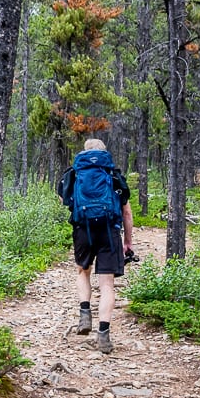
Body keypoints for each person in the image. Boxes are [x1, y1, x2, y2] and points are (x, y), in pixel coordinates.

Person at [57, 138, 134, 353]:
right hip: (109, 231)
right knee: (107, 284)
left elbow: (65, 200)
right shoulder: (113, 175)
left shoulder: (74, 173)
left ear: (84, 151)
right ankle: (103, 335)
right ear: (105, 152)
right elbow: (127, 213)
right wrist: (127, 241)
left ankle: (84, 315)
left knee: (83, 272)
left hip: (83, 230)